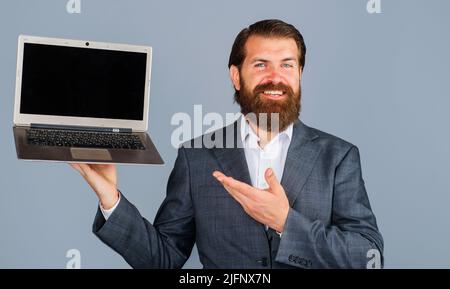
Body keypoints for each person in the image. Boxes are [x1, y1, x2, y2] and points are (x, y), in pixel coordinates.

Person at [71, 19, 383, 269]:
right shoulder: (197, 157)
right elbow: (162, 259)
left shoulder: (338, 156)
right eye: (261, 64)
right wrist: (111, 199)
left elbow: (368, 257)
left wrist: (286, 223)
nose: (276, 76)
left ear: (300, 73)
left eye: (287, 64)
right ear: (237, 76)